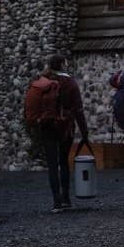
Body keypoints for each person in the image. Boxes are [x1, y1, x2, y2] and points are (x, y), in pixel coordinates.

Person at [26, 55, 89, 212]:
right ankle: (66, 198)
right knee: (63, 161)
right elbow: (78, 110)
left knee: (52, 165)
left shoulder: (42, 82)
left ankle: (56, 202)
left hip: (47, 126)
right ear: (63, 64)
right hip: (65, 126)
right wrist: (84, 132)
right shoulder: (70, 83)